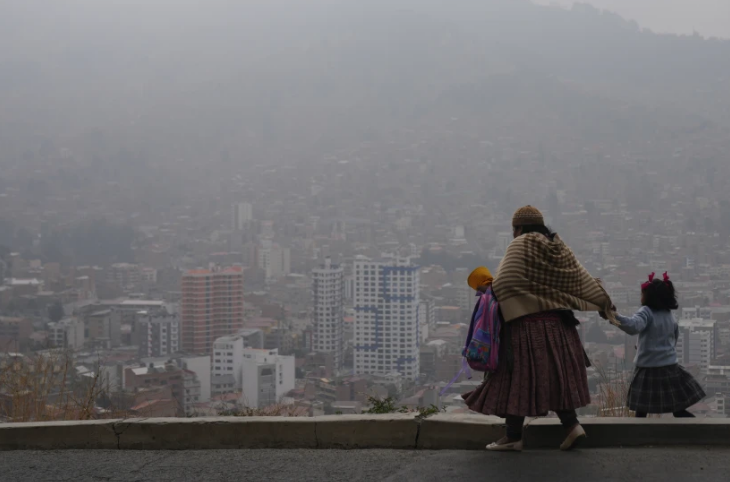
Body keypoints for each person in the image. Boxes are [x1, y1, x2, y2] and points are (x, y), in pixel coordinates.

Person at [463, 205, 615, 452]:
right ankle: (572, 426)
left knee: (517, 378)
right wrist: (603, 301)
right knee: (556, 376)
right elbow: (579, 279)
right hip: (560, 327)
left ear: (519, 227)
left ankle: (513, 436)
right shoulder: (558, 247)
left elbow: (504, 283)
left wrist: (491, 291)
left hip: (526, 326)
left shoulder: (520, 245)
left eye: (514, 229)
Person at [609, 272, 705, 418]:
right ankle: (696, 429)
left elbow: (634, 326)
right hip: (670, 368)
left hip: (648, 368)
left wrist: (614, 316)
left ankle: (638, 437)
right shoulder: (669, 314)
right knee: (678, 409)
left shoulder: (646, 312)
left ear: (649, 296)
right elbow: (673, 338)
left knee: (641, 410)